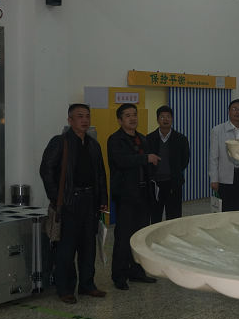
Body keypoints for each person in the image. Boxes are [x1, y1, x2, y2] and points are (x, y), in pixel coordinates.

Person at [39, 103, 108, 304]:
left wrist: (103, 199)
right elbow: (46, 170)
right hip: (69, 201)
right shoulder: (60, 142)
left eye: (87, 116)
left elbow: (101, 174)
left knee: (88, 245)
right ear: (70, 120)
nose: (84, 120)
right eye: (80, 116)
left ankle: (87, 284)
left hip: (90, 201)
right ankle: (65, 288)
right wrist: (56, 198)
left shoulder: (93, 145)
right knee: (66, 248)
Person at [107, 103, 160, 290]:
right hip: (126, 196)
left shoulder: (142, 139)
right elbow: (121, 161)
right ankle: (119, 275)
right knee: (123, 237)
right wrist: (146, 158)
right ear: (120, 120)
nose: (133, 118)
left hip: (143, 195)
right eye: (128, 115)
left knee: (140, 237)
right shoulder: (115, 140)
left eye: (134, 114)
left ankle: (137, 271)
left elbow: (148, 166)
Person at [146, 105, 190, 224]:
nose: (165, 119)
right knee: (155, 217)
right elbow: (146, 160)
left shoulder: (181, 139)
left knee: (174, 218)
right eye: (162, 117)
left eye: (168, 117)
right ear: (157, 119)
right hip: (155, 184)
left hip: (173, 183)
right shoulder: (149, 138)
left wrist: (175, 170)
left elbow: (185, 159)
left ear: (172, 119)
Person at [209, 99, 239, 211]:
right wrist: (214, 179)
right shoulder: (218, 130)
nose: (238, 112)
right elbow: (213, 157)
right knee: (226, 210)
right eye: (234, 109)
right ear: (229, 111)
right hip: (225, 176)